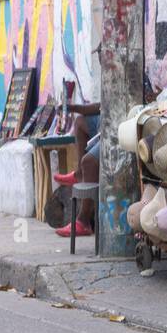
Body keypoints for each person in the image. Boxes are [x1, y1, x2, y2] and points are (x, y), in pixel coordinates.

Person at [54, 102, 101, 238]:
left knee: (88, 162)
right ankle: (79, 174)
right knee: (80, 122)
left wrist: (73, 107)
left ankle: (83, 221)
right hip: (105, 120)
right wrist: (73, 107)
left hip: (118, 126)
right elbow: (101, 105)